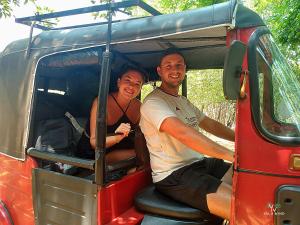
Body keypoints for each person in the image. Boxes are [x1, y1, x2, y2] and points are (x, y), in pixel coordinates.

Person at [139, 50, 235, 220]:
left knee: (248, 174)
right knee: (243, 208)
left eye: (179, 65)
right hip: (174, 174)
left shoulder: (183, 101)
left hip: (199, 163)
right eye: (168, 66)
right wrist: (230, 154)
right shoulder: (153, 102)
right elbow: (182, 133)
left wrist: (240, 139)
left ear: (185, 69)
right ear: (159, 71)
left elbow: (210, 123)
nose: (174, 70)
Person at [90, 66, 148, 167]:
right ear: (118, 82)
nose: (131, 86)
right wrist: (118, 136)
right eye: (127, 80)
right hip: (97, 155)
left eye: (137, 83)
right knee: (144, 154)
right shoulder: (102, 102)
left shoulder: (139, 106)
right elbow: (94, 143)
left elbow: (142, 134)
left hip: (123, 150)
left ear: (140, 88)